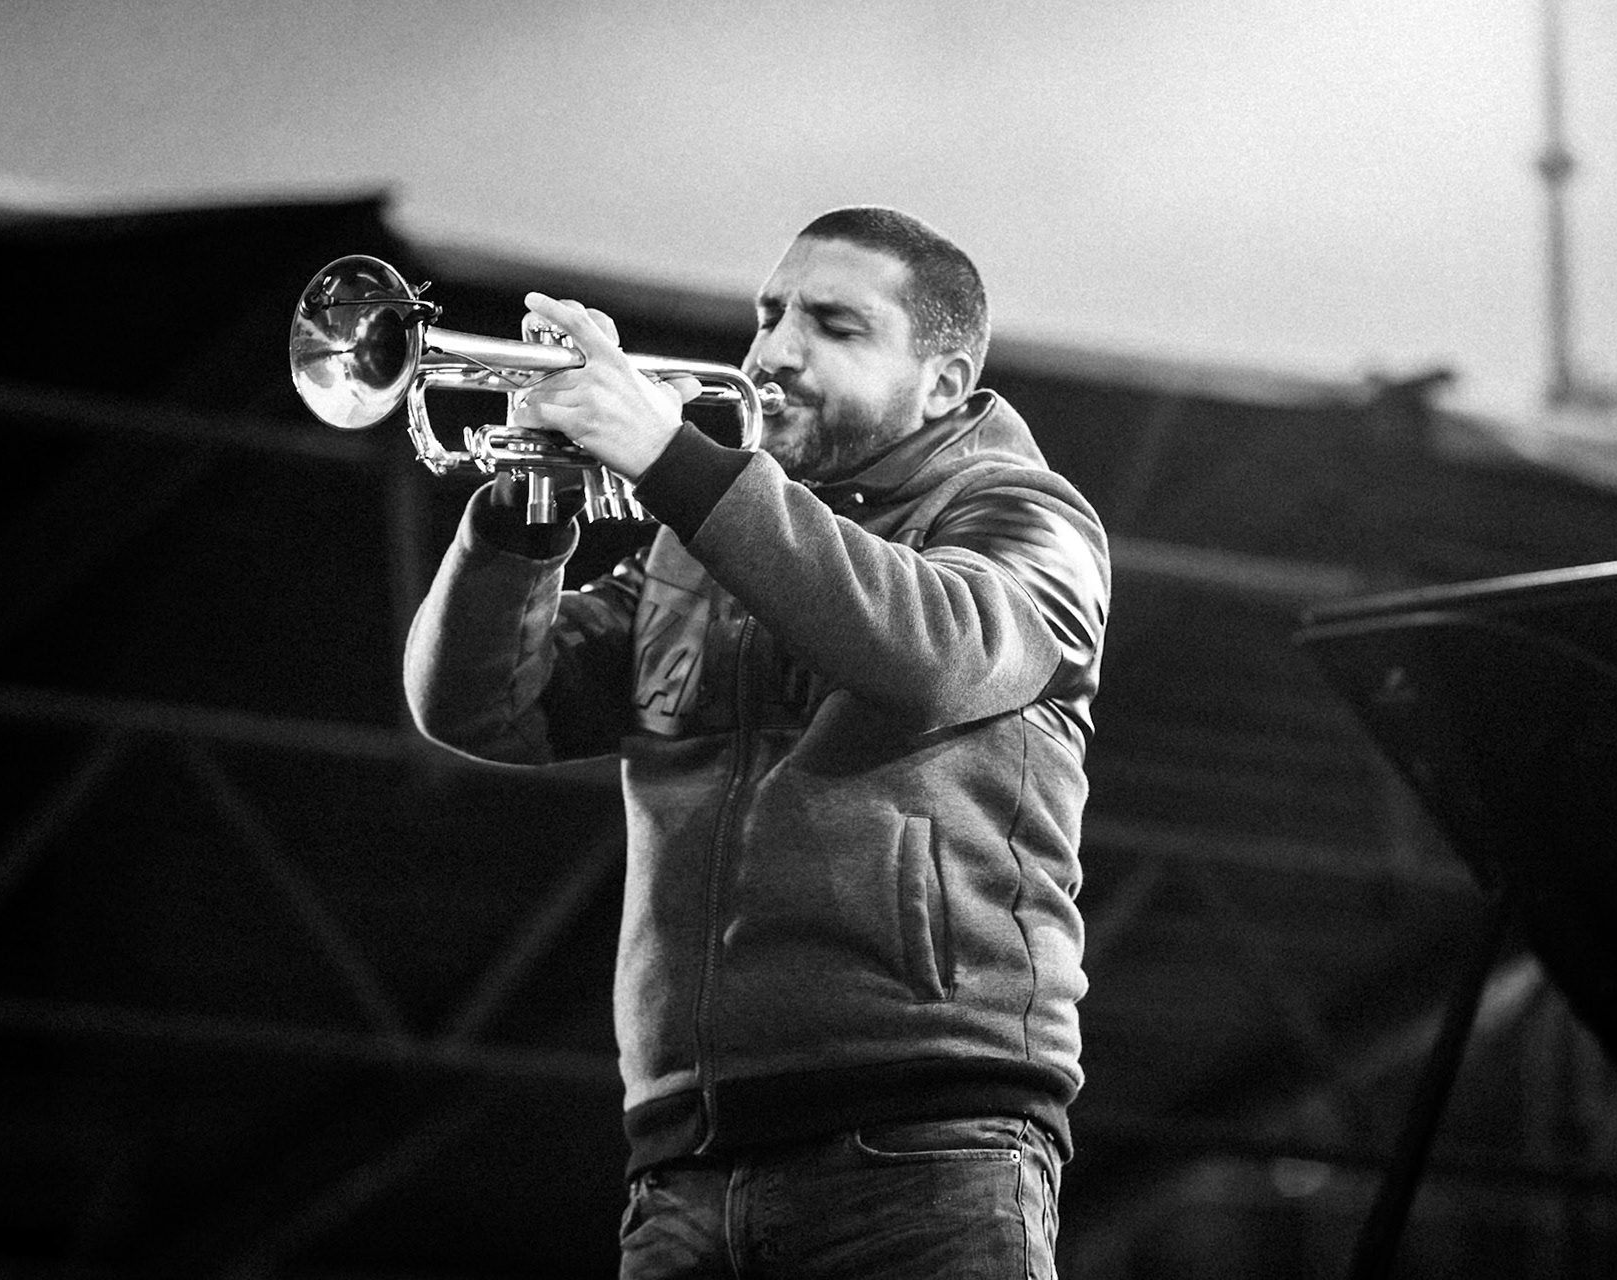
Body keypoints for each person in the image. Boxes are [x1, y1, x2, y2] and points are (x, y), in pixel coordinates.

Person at [404, 205, 1111, 1278]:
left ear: (945, 380)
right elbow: (484, 707)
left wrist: (667, 455)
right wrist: (524, 509)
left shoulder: (1024, 518)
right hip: (684, 1162)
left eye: (834, 324)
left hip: (925, 1144)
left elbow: (933, 652)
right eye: (770, 314)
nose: (775, 350)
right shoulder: (702, 552)